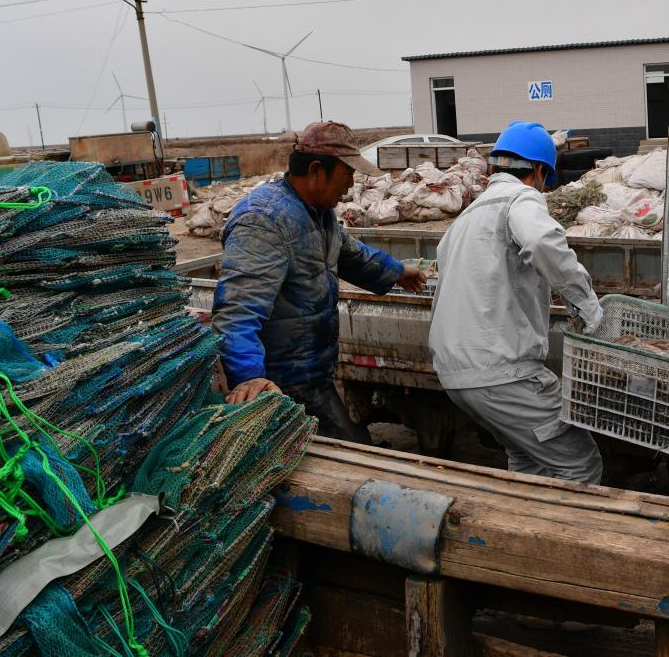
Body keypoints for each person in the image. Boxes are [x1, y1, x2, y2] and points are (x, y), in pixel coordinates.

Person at [213, 121, 425, 442]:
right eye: (347, 173)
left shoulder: (319, 213)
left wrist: (397, 271)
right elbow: (238, 310)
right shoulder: (264, 220)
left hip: (314, 373)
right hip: (280, 383)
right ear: (316, 170)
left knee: (351, 449)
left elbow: (351, 254)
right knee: (350, 459)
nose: (351, 184)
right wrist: (250, 379)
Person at [429, 121, 604, 483]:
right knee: (579, 463)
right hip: (501, 373)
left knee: (528, 461)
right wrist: (588, 307)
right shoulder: (519, 199)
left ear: (495, 166)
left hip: (456, 374)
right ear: (540, 171)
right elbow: (542, 243)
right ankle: (563, 539)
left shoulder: (463, 220)